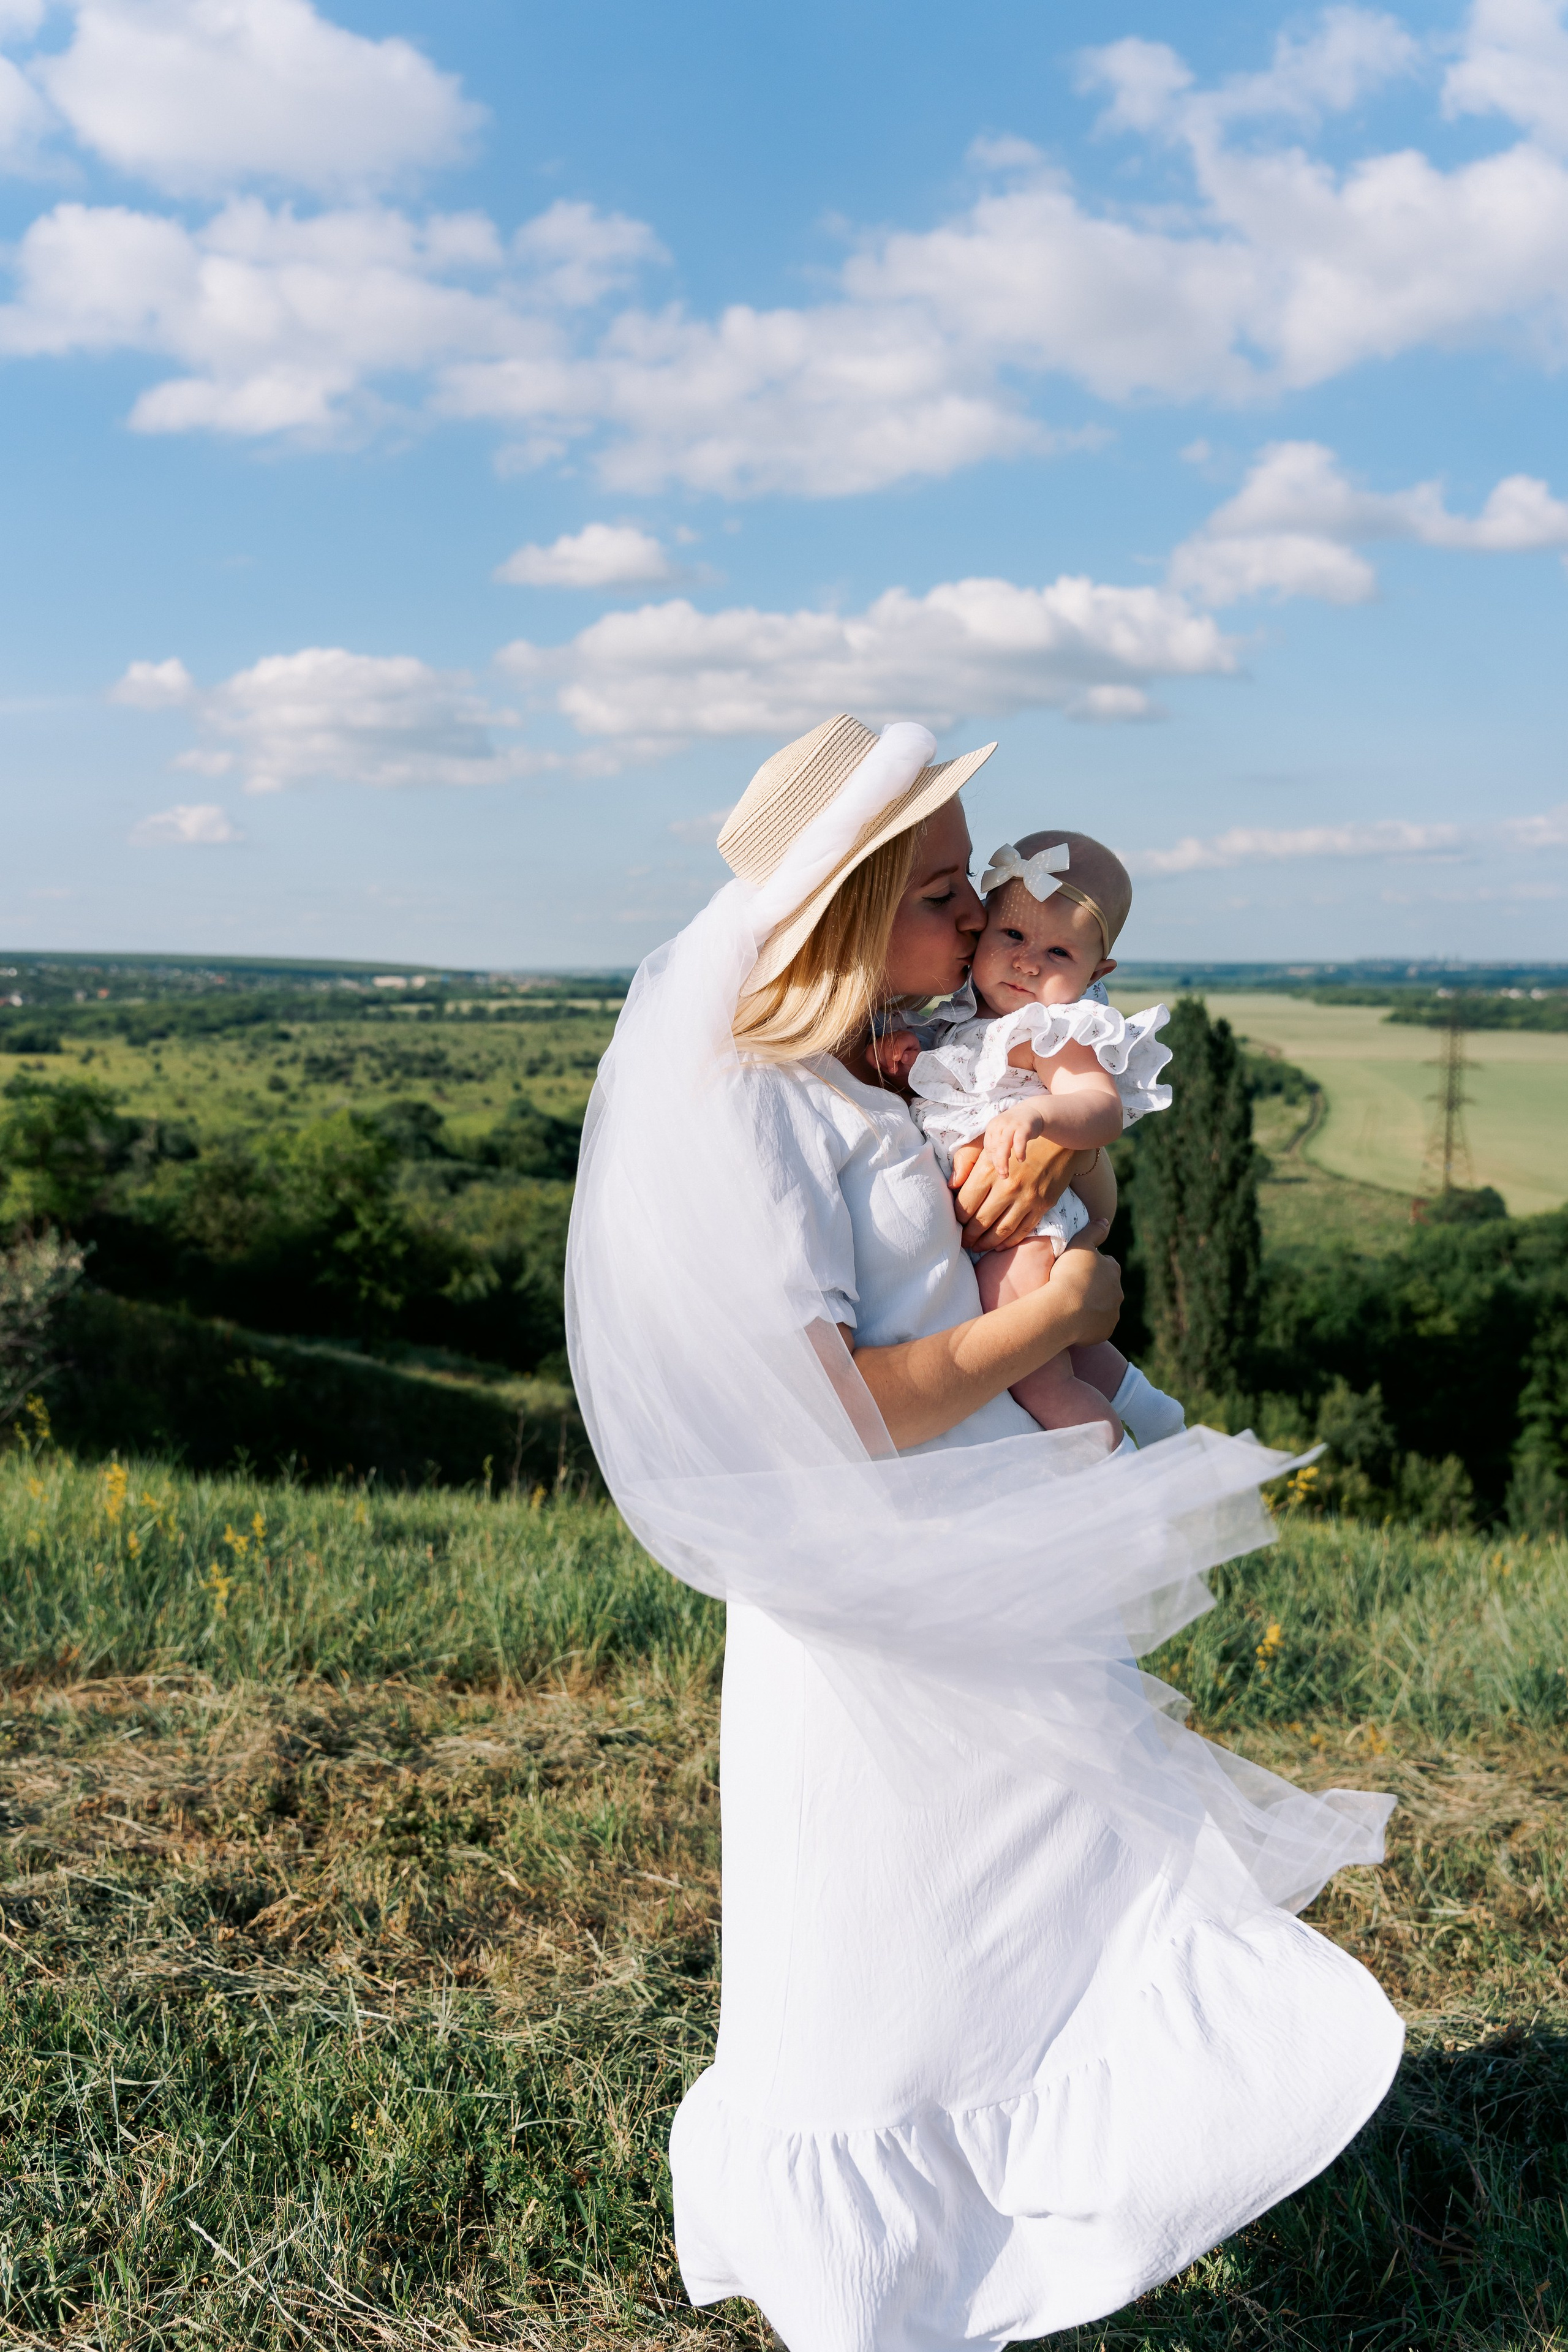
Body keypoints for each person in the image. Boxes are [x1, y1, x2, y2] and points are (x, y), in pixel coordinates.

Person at [566, 714, 1402, 2352]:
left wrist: (1059, 1200)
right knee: (881, 1977)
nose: (984, 918)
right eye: (949, 890)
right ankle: (869, 2302)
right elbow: (831, 1414)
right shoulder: (751, 1109)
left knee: (1030, 1931)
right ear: (852, 902)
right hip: (875, 1615)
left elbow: (989, 1200)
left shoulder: (876, 1060)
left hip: (977, 1571)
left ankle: (995, 2266)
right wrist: (1066, 1314)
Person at [873, 827, 1183, 1445]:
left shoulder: (1052, 1030)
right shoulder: (957, 1023)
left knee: (1035, 1375)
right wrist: (910, 1061)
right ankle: (1152, 1414)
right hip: (994, 1230)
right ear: (982, 929)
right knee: (1064, 1352)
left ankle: (1113, 1467)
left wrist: (1041, 1120)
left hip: (1021, 1235)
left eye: (1058, 953)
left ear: (1099, 971)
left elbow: (1101, 1108)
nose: (1027, 962)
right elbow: (941, 1097)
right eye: (1012, 935)